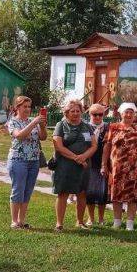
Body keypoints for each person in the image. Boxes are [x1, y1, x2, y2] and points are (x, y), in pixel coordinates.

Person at [102, 102, 137, 231]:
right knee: (116, 194)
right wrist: (103, 164)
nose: (128, 115)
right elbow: (107, 146)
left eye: (131, 112)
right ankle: (117, 221)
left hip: (135, 167)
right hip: (117, 167)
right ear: (120, 114)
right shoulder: (113, 127)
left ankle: (130, 223)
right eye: (126, 112)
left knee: (133, 195)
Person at [52, 99, 96, 230]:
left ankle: (80, 222)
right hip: (64, 165)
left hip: (83, 166)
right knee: (63, 193)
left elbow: (94, 145)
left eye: (78, 111)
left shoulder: (87, 126)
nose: (76, 113)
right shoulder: (61, 125)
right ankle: (59, 223)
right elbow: (58, 146)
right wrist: (76, 158)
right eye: (72, 111)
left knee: (82, 193)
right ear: (66, 112)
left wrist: (83, 157)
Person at [5, 95, 47, 229]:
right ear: (17, 108)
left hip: (33, 161)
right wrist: (34, 123)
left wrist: (42, 125)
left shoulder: (32, 121)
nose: (28, 109)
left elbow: (43, 137)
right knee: (18, 189)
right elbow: (19, 135)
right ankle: (14, 221)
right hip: (18, 160)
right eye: (25, 107)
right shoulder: (13, 122)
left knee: (27, 191)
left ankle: (22, 221)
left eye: (29, 106)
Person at [85, 104, 110, 226]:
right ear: (90, 114)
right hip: (88, 163)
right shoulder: (85, 127)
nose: (98, 117)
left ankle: (101, 218)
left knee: (102, 192)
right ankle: (90, 218)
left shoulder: (108, 127)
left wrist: (105, 164)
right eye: (95, 114)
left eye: (100, 114)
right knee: (89, 192)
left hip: (103, 164)